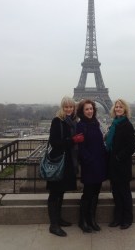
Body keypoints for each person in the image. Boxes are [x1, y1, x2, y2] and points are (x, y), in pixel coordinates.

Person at [46, 96, 83, 237]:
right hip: (58, 162)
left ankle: (58, 219)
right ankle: (53, 225)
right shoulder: (57, 121)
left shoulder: (73, 122)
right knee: (54, 193)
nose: (68, 109)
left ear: (74, 108)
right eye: (66, 107)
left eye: (71, 107)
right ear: (62, 107)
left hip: (67, 163)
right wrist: (72, 140)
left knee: (60, 192)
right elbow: (55, 142)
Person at [76, 99, 107, 233]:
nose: (89, 111)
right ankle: (83, 220)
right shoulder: (80, 126)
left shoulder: (96, 123)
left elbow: (101, 144)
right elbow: (80, 148)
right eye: (86, 109)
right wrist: (88, 160)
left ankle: (92, 219)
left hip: (99, 163)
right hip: (89, 165)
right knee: (88, 194)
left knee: (96, 193)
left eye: (91, 109)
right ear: (82, 112)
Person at [106, 99, 135, 230]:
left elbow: (131, 147)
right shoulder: (114, 124)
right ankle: (118, 218)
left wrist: (118, 157)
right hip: (113, 165)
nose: (118, 109)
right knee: (116, 193)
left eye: (120, 107)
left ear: (125, 110)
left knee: (124, 192)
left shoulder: (127, 125)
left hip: (121, 165)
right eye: (116, 107)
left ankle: (127, 219)